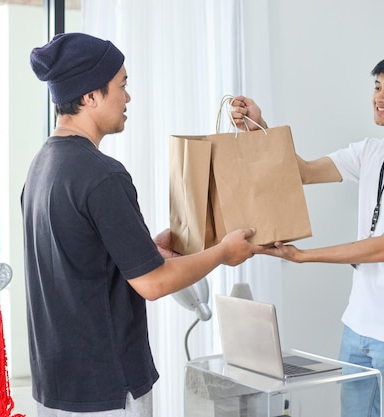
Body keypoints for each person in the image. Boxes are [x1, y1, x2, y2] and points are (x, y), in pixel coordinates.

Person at [22, 32, 260, 417]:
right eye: (122, 85)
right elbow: (152, 284)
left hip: (57, 386)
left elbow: (78, 258)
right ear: (89, 96)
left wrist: (144, 247)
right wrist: (223, 253)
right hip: (108, 392)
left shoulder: (43, 165)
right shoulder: (102, 175)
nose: (128, 97)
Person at [232, 49, 384, 417]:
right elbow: (300, 171)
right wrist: (259, 126)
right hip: (358, 325)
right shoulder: (370, 152)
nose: (379, 97)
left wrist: (303, 256)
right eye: (377, 87)